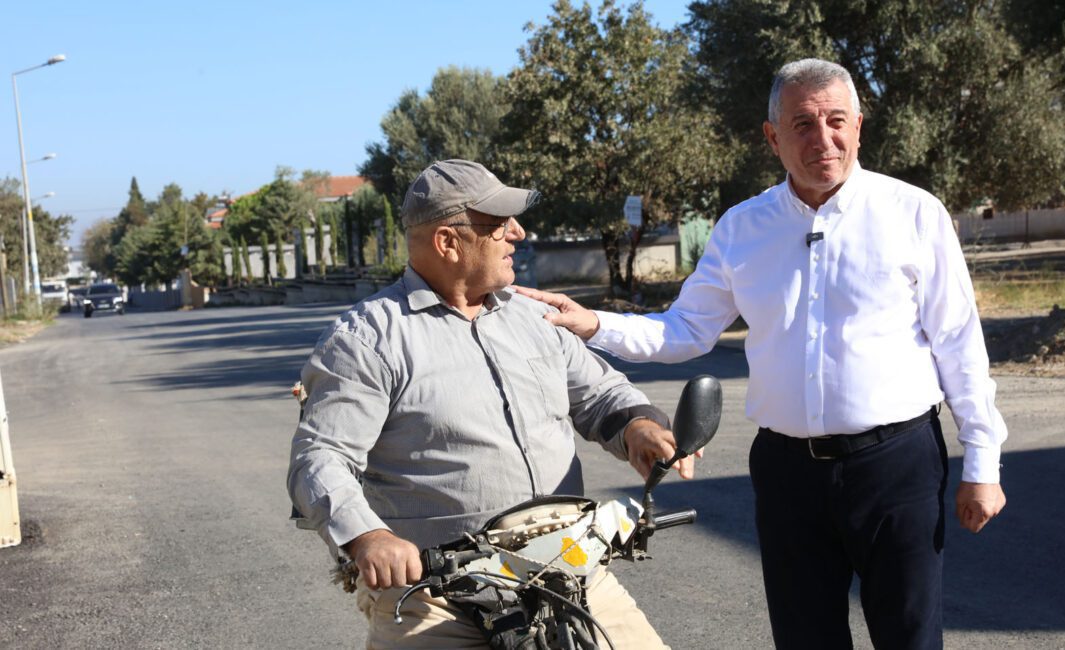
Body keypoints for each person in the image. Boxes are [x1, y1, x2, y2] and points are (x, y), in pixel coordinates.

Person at [515, 59, 1007, 649]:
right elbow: (686, 331)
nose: (822, 139)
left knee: (909, 636)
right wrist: (593, 323)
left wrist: (982, 463)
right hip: (787, 474)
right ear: (773, 137)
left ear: (859, 128)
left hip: (896, 466)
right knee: (804, 638)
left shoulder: (914, 214)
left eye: (836, 121)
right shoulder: (742, 228)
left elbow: (959, 344)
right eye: (802, 124)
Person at [287, 159, 691, 649]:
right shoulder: (366, 341)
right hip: (438, 595)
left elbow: (602, 395)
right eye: (498, 224)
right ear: (447, 243)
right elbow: (320, 458)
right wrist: (368, 537)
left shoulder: (534, 316)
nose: (517, 233)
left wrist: (639, 429)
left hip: (567, 569)